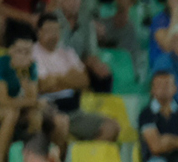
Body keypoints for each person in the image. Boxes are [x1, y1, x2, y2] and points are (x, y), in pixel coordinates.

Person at [31, 15, 119, 146]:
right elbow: (43, 85)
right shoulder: (32, 54)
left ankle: (82, 161)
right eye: (49, 30)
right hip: (50, 111)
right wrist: (70, 77)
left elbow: (84, 81)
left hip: (74, 110)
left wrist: (57, 79)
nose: (53, 35)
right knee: (61, 123)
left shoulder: (68, 53)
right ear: (39, 32)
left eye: (56, 30)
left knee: (111, 127)